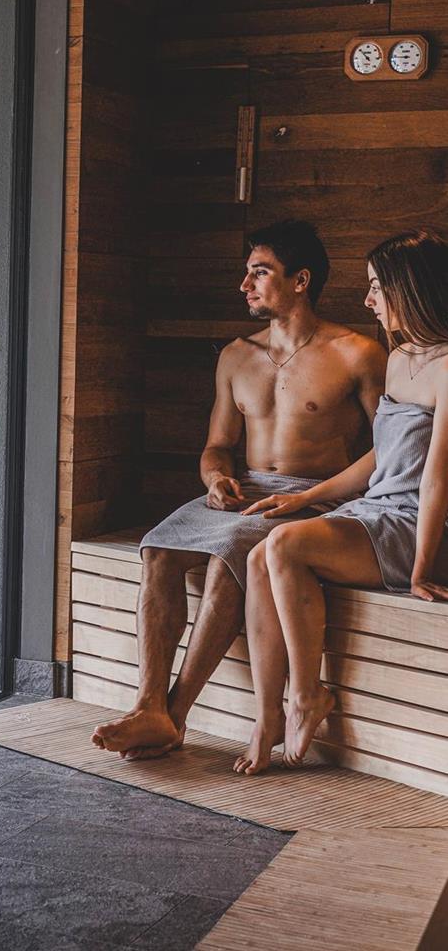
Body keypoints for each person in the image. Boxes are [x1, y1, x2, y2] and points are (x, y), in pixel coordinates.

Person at [91, 220, 386, 760]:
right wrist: (214, 479)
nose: (244, 285)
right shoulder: (235, 355)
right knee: (158, 550)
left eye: (259, 272)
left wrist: (315, 496)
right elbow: (217, 445)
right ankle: (148, 703)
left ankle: (173, 716)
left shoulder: (356, 353)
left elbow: (388, 447)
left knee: (231, 556)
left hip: (315, 496)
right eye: (247, 273)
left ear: (300, 280)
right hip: (242, 490)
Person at [235, 229, 448, 775]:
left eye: (378, 287)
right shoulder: (402, 360)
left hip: (416, 527)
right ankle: (267, 715)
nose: (368, 299)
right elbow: (382, 458)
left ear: (411, 289)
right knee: (261, 554)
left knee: (284, 548)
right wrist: (307, 496)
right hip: (379, 509)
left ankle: (306, 696)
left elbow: (435, 483)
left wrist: (420, 570)